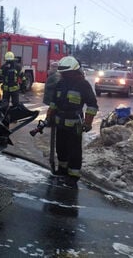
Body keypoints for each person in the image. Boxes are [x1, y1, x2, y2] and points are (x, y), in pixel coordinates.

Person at [44, 56, 98, 187]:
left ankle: (73, 176)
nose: (63, 75)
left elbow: (92, 105)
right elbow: (54, 103)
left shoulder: (83, 85)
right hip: (60, 123)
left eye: (65, 73)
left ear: (74, 71)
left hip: (75, 125)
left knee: (74, 151)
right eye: (62, 73)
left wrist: (88, 122)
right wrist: (49, 117)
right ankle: (62, 170)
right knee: (61, 148)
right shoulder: (60, 84)